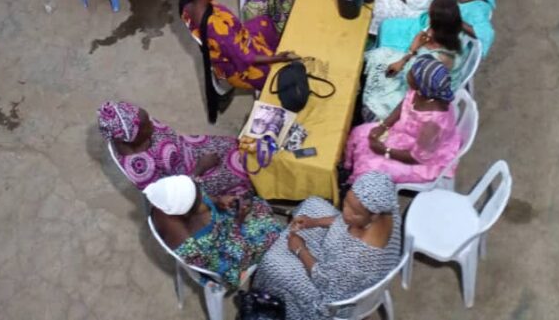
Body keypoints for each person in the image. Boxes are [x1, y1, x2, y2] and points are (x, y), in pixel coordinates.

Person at [252, 173, 401, 320]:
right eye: (346, 202)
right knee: (314, 202)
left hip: (333, 298)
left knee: (270, 263)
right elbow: (345, 220)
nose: (346, 213)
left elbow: (323, 280)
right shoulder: (388, 208)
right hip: (340, 260)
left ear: (374, 215)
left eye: (354, 212)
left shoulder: (358, 258)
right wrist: (313, 222)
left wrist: (300, 249)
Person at [146, 175, 281, 289]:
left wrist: (218, 200)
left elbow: (200, 196)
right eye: (201, 203)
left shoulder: (165, 200)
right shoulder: (195, 244)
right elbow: (226, 264)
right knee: (273, 230)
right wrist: (238, 222)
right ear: (185, 214)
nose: (205, 201)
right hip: (223, 258)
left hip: (219, 234)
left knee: (257, 203)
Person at [343, 55, 462, 186]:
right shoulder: (422, 93)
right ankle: (347, 168)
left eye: (412, 72)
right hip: (406, 134)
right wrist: (384, 125)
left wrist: (384, 151)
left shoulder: (432, 123)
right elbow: (404, 104)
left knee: (370, 169)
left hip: (420, 160)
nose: (409, 72)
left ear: (419, 85)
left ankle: (354, 189)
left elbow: (417, 157)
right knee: (359, 132)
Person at [177, 0, 294, 97]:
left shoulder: (187, 7)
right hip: (239, 65)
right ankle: (266, 80)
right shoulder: (217, 29)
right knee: (280, 75)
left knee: (264, 22)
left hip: (234, 43)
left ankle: (273, 51)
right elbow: (246, 58)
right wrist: (277, 58)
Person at [98, 100, 251, 196]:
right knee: (245, 171)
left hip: (188, 147)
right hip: (191, 179)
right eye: (147, 125)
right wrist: (200, 168)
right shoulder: (141, 170)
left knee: (237, 146)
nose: (152, 123)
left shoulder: (137, 126)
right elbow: (174, 196)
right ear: (132, 137)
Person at [362, 0, 468, 121]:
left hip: (424, 96)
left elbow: (412, 82)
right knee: (381, 55)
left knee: (374, 102)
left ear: (437, 25)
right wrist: (405, 58)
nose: (427, 20)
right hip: (417, 73)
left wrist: (404, 64)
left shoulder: (439, 60)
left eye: (430, 17)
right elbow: (421, 35)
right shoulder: (451, 30)